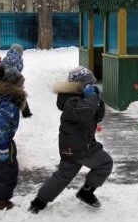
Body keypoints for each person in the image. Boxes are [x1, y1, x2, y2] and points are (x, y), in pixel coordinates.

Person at [29, 66, 113, 214]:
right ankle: (86, 192)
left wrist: (98, 102)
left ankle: (39, 202)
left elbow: (97, 117)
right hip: (80, 146)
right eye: (89, 84)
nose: (92, 86)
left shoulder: (82, 98)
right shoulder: (71, 100)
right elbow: (85, 114)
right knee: (105, 163)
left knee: (64, 174)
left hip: (75, 145)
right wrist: (91, 99)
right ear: (80, 85)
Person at [0, 65, 27, 210]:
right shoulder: (9, 102)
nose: (23, 86)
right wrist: (3, 148)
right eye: (21, 83)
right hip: (0, 143)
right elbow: (0, 126)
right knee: (8, 172)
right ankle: (1, 202)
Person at [0, 43, 32, 118]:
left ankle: (0, 107)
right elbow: (19, 69)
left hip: (3, 78)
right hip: (15, 79)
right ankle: (26, 112)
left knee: (3, 94)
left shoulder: (6, 58)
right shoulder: (19, 60)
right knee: (20, 95)